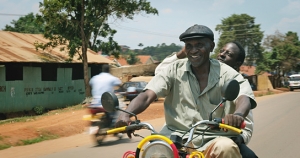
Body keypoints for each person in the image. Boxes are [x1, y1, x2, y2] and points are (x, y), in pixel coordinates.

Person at [115, 24, 257, 158]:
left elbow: (243, 97)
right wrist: (126, 113)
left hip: (212, 139)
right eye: (189, 46)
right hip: (173, 138)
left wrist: (237, 115)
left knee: (226, 147)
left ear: (211, 46)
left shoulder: (227, 73)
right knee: (151, 151)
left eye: (199, 45)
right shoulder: (173, 69)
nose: (193, 50)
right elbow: (147, 95)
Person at [155, 41, 257, 158]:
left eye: (229, 54)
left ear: (237, 63)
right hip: (178, 135)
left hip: (215, 140)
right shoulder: (191, 69)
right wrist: (183, 53)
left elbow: (245, 122)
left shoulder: (238, 84)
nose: (222, 55)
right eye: (221, 51)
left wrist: (239, 137)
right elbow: (159, 72)